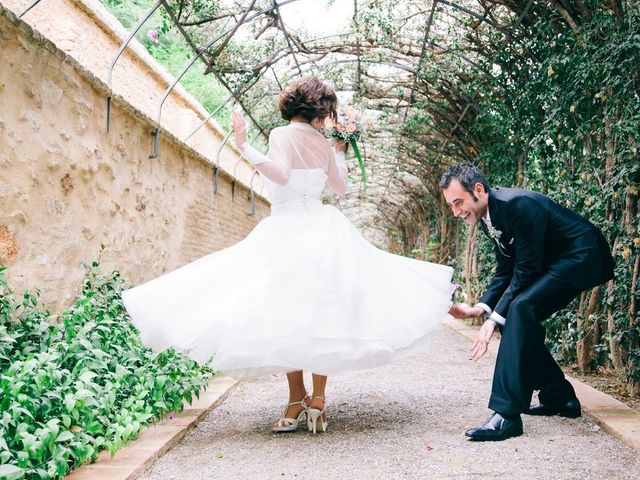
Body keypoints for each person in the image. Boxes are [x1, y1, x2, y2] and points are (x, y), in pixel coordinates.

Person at [122, 76, 455, 434]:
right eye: (328, 112)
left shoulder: (282, 135)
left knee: (288, 314)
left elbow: (279, 175)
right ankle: (318, 401)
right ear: (320, 110)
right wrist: (340, 150)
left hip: (285, 231)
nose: (328, 118)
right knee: (323, 312)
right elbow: (340, 188)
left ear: (294, 104)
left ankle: (296, 399)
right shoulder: (326, 144)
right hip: (323, 230)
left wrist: (243, 146)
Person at [442, 163, 614, 441]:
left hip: (582, 254)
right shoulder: (488, 215)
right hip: (557, 260)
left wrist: (493, 322)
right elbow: (505, 271)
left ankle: (506, 415)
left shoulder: (517, 205)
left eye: (458, 202)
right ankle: (560, 397)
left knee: (520, 309)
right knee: (520, 317)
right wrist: (481, 308)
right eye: (451, 205)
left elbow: (526, 270)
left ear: (478, 190)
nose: (456, 212)